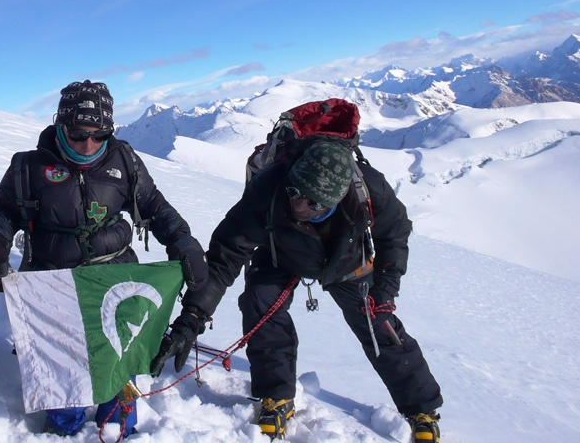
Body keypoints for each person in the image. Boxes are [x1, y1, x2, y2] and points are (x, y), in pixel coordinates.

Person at [151, 141, 443, 442]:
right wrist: (192, 318)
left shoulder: (368, 189)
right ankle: (275, 395)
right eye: (295, 193)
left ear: (337, 198)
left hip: (347, 262)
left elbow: (395, 233)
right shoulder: (268, 191)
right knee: (260, 303)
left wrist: (386, 287)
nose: (299, 206)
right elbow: (224, 257)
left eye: (314, 203)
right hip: (280, 253)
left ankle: (422, 408)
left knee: (378, 322)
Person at [0, 80, 208, 437]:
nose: (89, 144)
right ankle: (64, 430)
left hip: (115, 280)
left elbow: (154, 206)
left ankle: (116, 429)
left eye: (100, 134)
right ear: (60, 125)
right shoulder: (28, 168)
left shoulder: (125, 159)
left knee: (116, 366)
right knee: (62, 374)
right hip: (55, 286)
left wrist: (183, 240)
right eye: (78, 133)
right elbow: (2, 209)